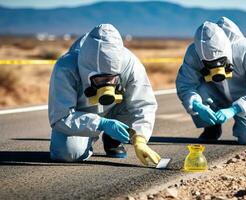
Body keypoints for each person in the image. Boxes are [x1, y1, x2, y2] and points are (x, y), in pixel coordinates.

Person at [48, 24, 161, 166]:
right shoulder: (66, 67)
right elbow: (61, 117)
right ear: (87, 73)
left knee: (133, 101)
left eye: (111, 79)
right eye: (99, 79)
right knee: (68, 153)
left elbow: (144, 104)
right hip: (80, 113)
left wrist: (140, 138)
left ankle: (112, 138)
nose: (106, 85)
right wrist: (101, 123)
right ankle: (88, 137)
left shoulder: (131, 65)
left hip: (116, 109)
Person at [176, 17, 246, 145]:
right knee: (197, 88)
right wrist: (196, 105)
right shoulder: (193, 52)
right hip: (216, 94)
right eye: (209, 64)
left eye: (221, 62)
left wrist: (234, 109)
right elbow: (185, 85)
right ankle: (211, 126)